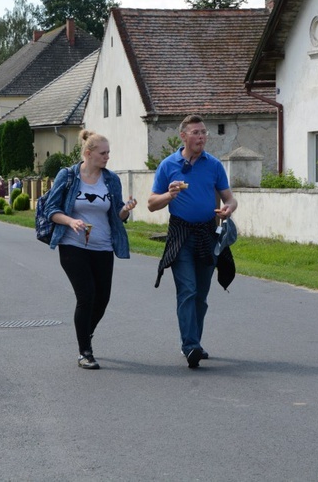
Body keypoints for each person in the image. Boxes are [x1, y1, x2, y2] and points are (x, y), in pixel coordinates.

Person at [147, 114, 237, 369]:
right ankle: (190, 347)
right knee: (187, 290)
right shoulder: (168, 165)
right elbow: (152, 204)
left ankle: (194, 341)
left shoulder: (214, 165)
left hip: (208, 233)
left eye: (204, 132)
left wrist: (228, 209)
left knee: (201, 294)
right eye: (196, 132)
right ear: (183, 136)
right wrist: (169, 194)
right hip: (181, 234)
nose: (201, 137)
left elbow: (230, 199)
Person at [44, 130, 138, 369]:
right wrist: (70, 221)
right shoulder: (67, 176)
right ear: (88, 153)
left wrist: (126, 209)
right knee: (86, 295)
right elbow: (51, 210)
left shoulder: (111, 180)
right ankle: (84, 351)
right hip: (73, 245)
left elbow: (117, 214)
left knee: (102, 299)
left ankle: (86, 333)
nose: (107, 157)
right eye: (103, 153)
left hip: (103, 246)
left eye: (108, 153)